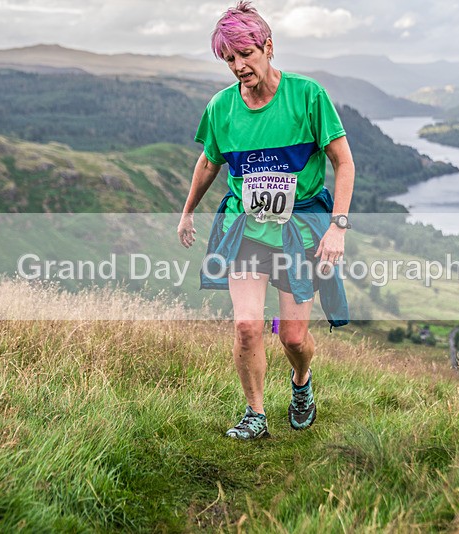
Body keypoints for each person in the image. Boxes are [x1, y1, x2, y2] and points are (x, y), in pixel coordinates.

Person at [177, 1, 355, 439]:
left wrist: (338, 226)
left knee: (293, 338)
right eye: (229, 59)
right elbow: (208, 162)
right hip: (246, 227)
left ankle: (301, 384)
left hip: (300, 228)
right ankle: (255, 414)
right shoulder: (221, 108)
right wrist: (187, 212)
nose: (239, 66)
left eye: (246, 55)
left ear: (268, 47)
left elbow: (344, 163)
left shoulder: (307, 96)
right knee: (246, 325)